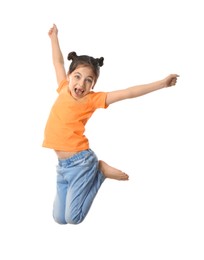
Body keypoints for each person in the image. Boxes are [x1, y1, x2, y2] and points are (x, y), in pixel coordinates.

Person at [42, 24, 179, 225]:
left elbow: (129, 93)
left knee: (74, 218)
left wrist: (161, 83)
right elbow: (57, 62)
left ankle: (99, 173)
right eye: (77, 77)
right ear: (70, 76)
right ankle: (93, 174)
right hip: (63, 166)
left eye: (89, 81)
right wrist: (54, 38)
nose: (81, 85)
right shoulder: (63, 87)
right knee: (59, 218)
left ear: (93, 86)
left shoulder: (92, 99)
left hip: (81, 162)